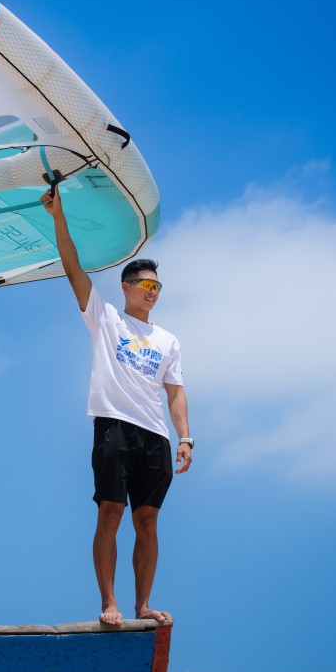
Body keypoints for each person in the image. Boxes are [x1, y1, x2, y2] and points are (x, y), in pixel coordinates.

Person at [40, 183, 192, 628]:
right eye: (146, 284)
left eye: (157, 286)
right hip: (114, 426)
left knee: (149, 520)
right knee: (111, 511)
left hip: (155, 435)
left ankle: (143, 604)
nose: (153, 291)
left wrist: (186, 437)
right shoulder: (106, 317)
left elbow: (176, 391)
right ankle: (109, 601)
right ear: (126, 287)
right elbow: (72, 268)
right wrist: (58, 218)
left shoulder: (168, 340)